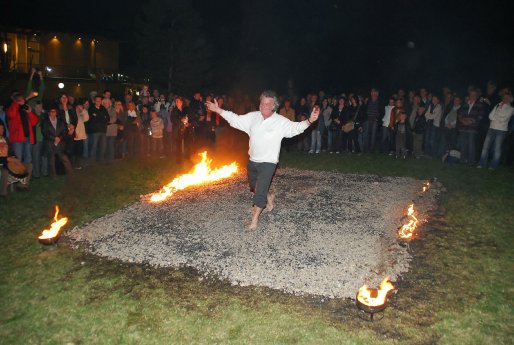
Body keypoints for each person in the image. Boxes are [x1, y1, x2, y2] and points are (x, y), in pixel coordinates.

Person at [206, 90, 319, 231]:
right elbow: (235, 118)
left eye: (268, 103)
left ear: (273, 106)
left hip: (269, 162)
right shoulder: (253, 117)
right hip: (253, 160)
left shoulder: (280, 121)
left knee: (259, 193)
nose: (264, 106)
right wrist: (218, 109)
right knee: (254, 187)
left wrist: (310, 121)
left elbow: (295, 128)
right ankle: (269, 196)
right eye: (262, 103)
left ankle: (254, 220)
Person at [478, 90, 514, 169]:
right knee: (485, 147)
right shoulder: (497, 105)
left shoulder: (511, 109)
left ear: (510, 99)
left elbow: (504, 119)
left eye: (507, 98)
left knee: (497, 148)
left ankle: (493, 165)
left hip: (501, 130)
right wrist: (496, 117)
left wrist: (495, 117)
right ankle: (482, 164)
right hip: (491, 128)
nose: (505, 99)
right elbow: (490, 116)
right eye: (504, 97)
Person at [5, 92, 39, 166]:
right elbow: (11, 114)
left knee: (28, 159)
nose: (22, 101)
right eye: (19, 100)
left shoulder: (25, 109)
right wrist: (19, 102)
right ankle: (18, 177)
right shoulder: (10, 109)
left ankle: (26, 177)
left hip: (27, 138)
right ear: (15, 101)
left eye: (22, 99)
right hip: (17, 139)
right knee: (18, 159)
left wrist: (29, 112)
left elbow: (35, 122)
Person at [41, 106, 74, 178]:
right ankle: (53, 176)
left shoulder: (60, 122)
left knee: (64, 158)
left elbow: (64, 131)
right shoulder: (45, 122)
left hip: (59, 143)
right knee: (51, 160)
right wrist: (54, 138)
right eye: (51, 112)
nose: (53, 113)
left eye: (54, 111)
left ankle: (71, 173)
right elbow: (44, 133)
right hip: (50, 143)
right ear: (49, 113)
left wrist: (59, 138)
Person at [88, 95, 110, 163]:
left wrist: (97, 116)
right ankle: (92, 160)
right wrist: (102, 117)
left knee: (103, 145)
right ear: (94, 101)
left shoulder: (103, 108)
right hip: (95, 130)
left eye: (100, 101)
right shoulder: (91, 109)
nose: (98, 102)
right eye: (97, 100)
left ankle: (101, 159)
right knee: (94, 145)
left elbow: (108, 118)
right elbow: (92, 120)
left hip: (103, 130)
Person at [73, 102, 89, 169]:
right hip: (74, 136)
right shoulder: (72, 115)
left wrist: (83, 110)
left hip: (81, 136)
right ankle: (75, 164)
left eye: (80, 108)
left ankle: (79, 164)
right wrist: (74, 133)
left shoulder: (81, 115)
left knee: (80, 151)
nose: (78, 109)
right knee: (75, 151)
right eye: (77, 107)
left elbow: (87, 118)